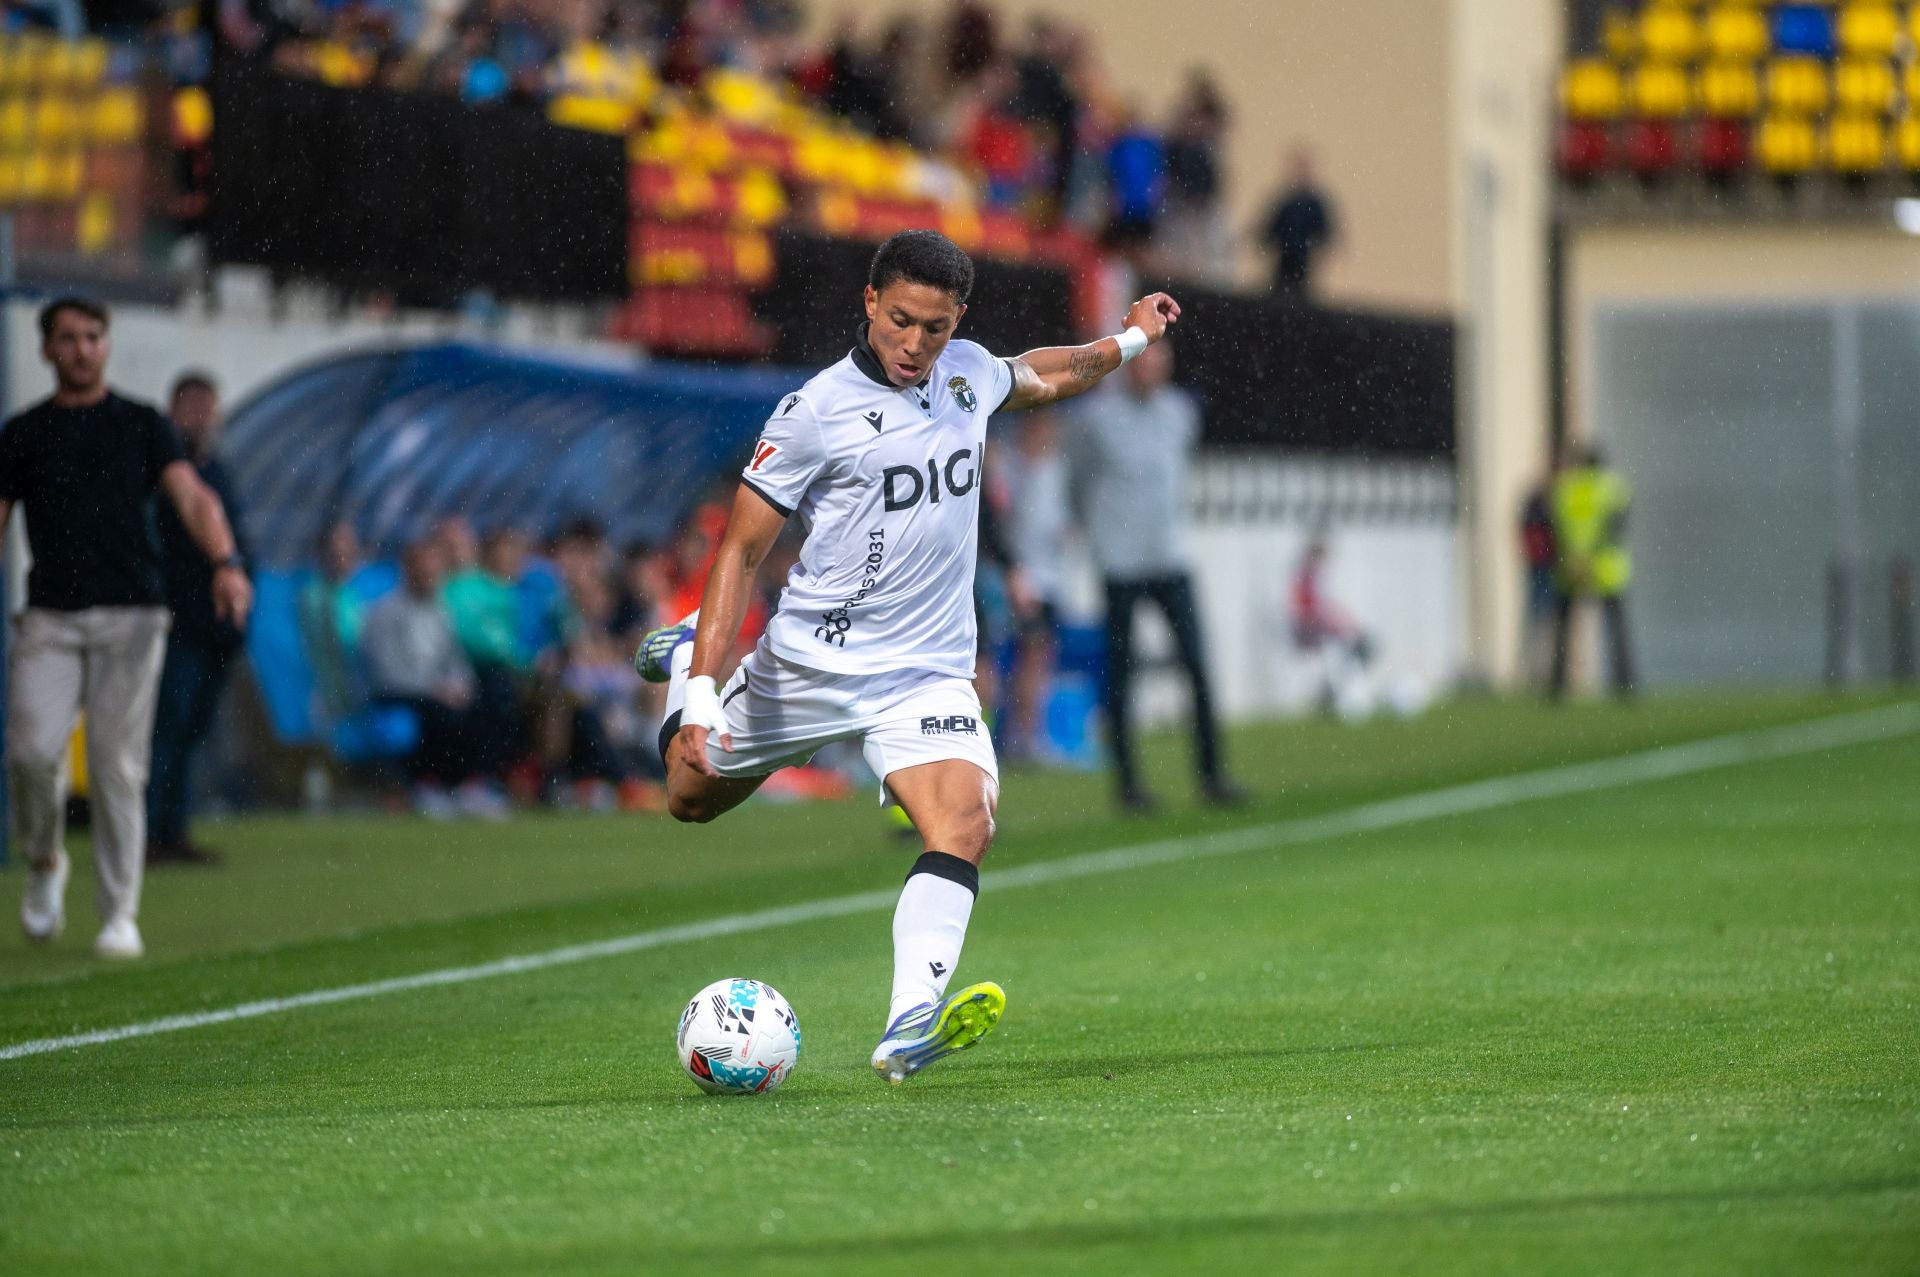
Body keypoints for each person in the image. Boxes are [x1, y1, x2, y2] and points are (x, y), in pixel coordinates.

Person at [632, 229, 1181, 1085]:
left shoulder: (966, 373)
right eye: (899, 321)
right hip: (809, 662)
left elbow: (1050, 371)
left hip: (925, 672)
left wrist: (1133, 337)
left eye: (934, 326)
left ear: (957, 319)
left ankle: (906, 1024)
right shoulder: (815, 410)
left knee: (965, 821)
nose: (914, 344)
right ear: (869, 304)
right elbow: (739, 553)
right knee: (687, 798)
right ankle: (678, 663)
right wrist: (700, 693)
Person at [2, 297, 252, 959]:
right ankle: (45, 859)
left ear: (107, 345)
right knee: (30, 753)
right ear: (47, 350)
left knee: (118, 765)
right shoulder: (24, 433)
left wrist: (225, 561)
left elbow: (195, 496)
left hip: (133, 614)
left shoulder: (142, 424)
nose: (82, 349)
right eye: (68, 338)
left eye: (92, 336)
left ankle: (119, 912)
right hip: (50, 614)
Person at [1064, 339, 1241, 812]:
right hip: (1120, 565)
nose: (1151, 372)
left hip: (1171, 559)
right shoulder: (1096, 420)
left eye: (1160, 362)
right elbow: (1077, 483)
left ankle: (1212, 775)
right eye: (1143, 364)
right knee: (1122, 677)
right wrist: (1098, 537)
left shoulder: (1181, 413)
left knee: (1198, 667)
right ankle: (1128, 786)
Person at [146, 371, 249, 867]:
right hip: (178, 625)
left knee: (190, 732)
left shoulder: (221, 472)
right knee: (166, 729)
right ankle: (147, 834)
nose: (201, 417)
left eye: (207, 406)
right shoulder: (164, 477)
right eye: (191, 406)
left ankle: (174, 830)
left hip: (217, 629)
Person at [360, 537, 506, 819]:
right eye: (424, 569)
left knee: (486, 704)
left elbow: (455, 659)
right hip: (398, 693)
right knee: (440, 714)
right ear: (408, 569)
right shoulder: (384, 613)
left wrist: (461, 685)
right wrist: (433, 688)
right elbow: (387, 671)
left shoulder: (440, 611)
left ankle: (469, 785)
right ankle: (431, 785)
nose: (430, 576)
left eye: (434, 570)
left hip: (436, 691)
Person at [1000, 410, 1070, 762]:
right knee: (1028, 657)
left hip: (1052, 576)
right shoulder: (1014, 468)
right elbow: (1010, 521)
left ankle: (1028, 734)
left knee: (1040, 658)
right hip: (1025, 579)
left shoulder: (1055, 466)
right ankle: (1021, 738)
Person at [1549, 445, 1636, 700]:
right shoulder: (1612, 487)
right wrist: (1592, 556)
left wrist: (1575, 558)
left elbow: (1556, 529)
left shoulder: (1565, 489)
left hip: (1571, 566)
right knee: (1616, 630)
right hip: (1605, 567)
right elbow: (1617, 527)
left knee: (1563, 629)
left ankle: (1557, 689)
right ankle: (1624, 686)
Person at [1259, 145, 1338, 298]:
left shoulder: (1314, 203)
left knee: (1301, 295)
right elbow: (1271, 227)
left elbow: (1324, 232)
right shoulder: (1285, 200)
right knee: (1277, 292)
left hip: (1303, 259)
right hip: (1284, 258)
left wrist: (1322, 250)